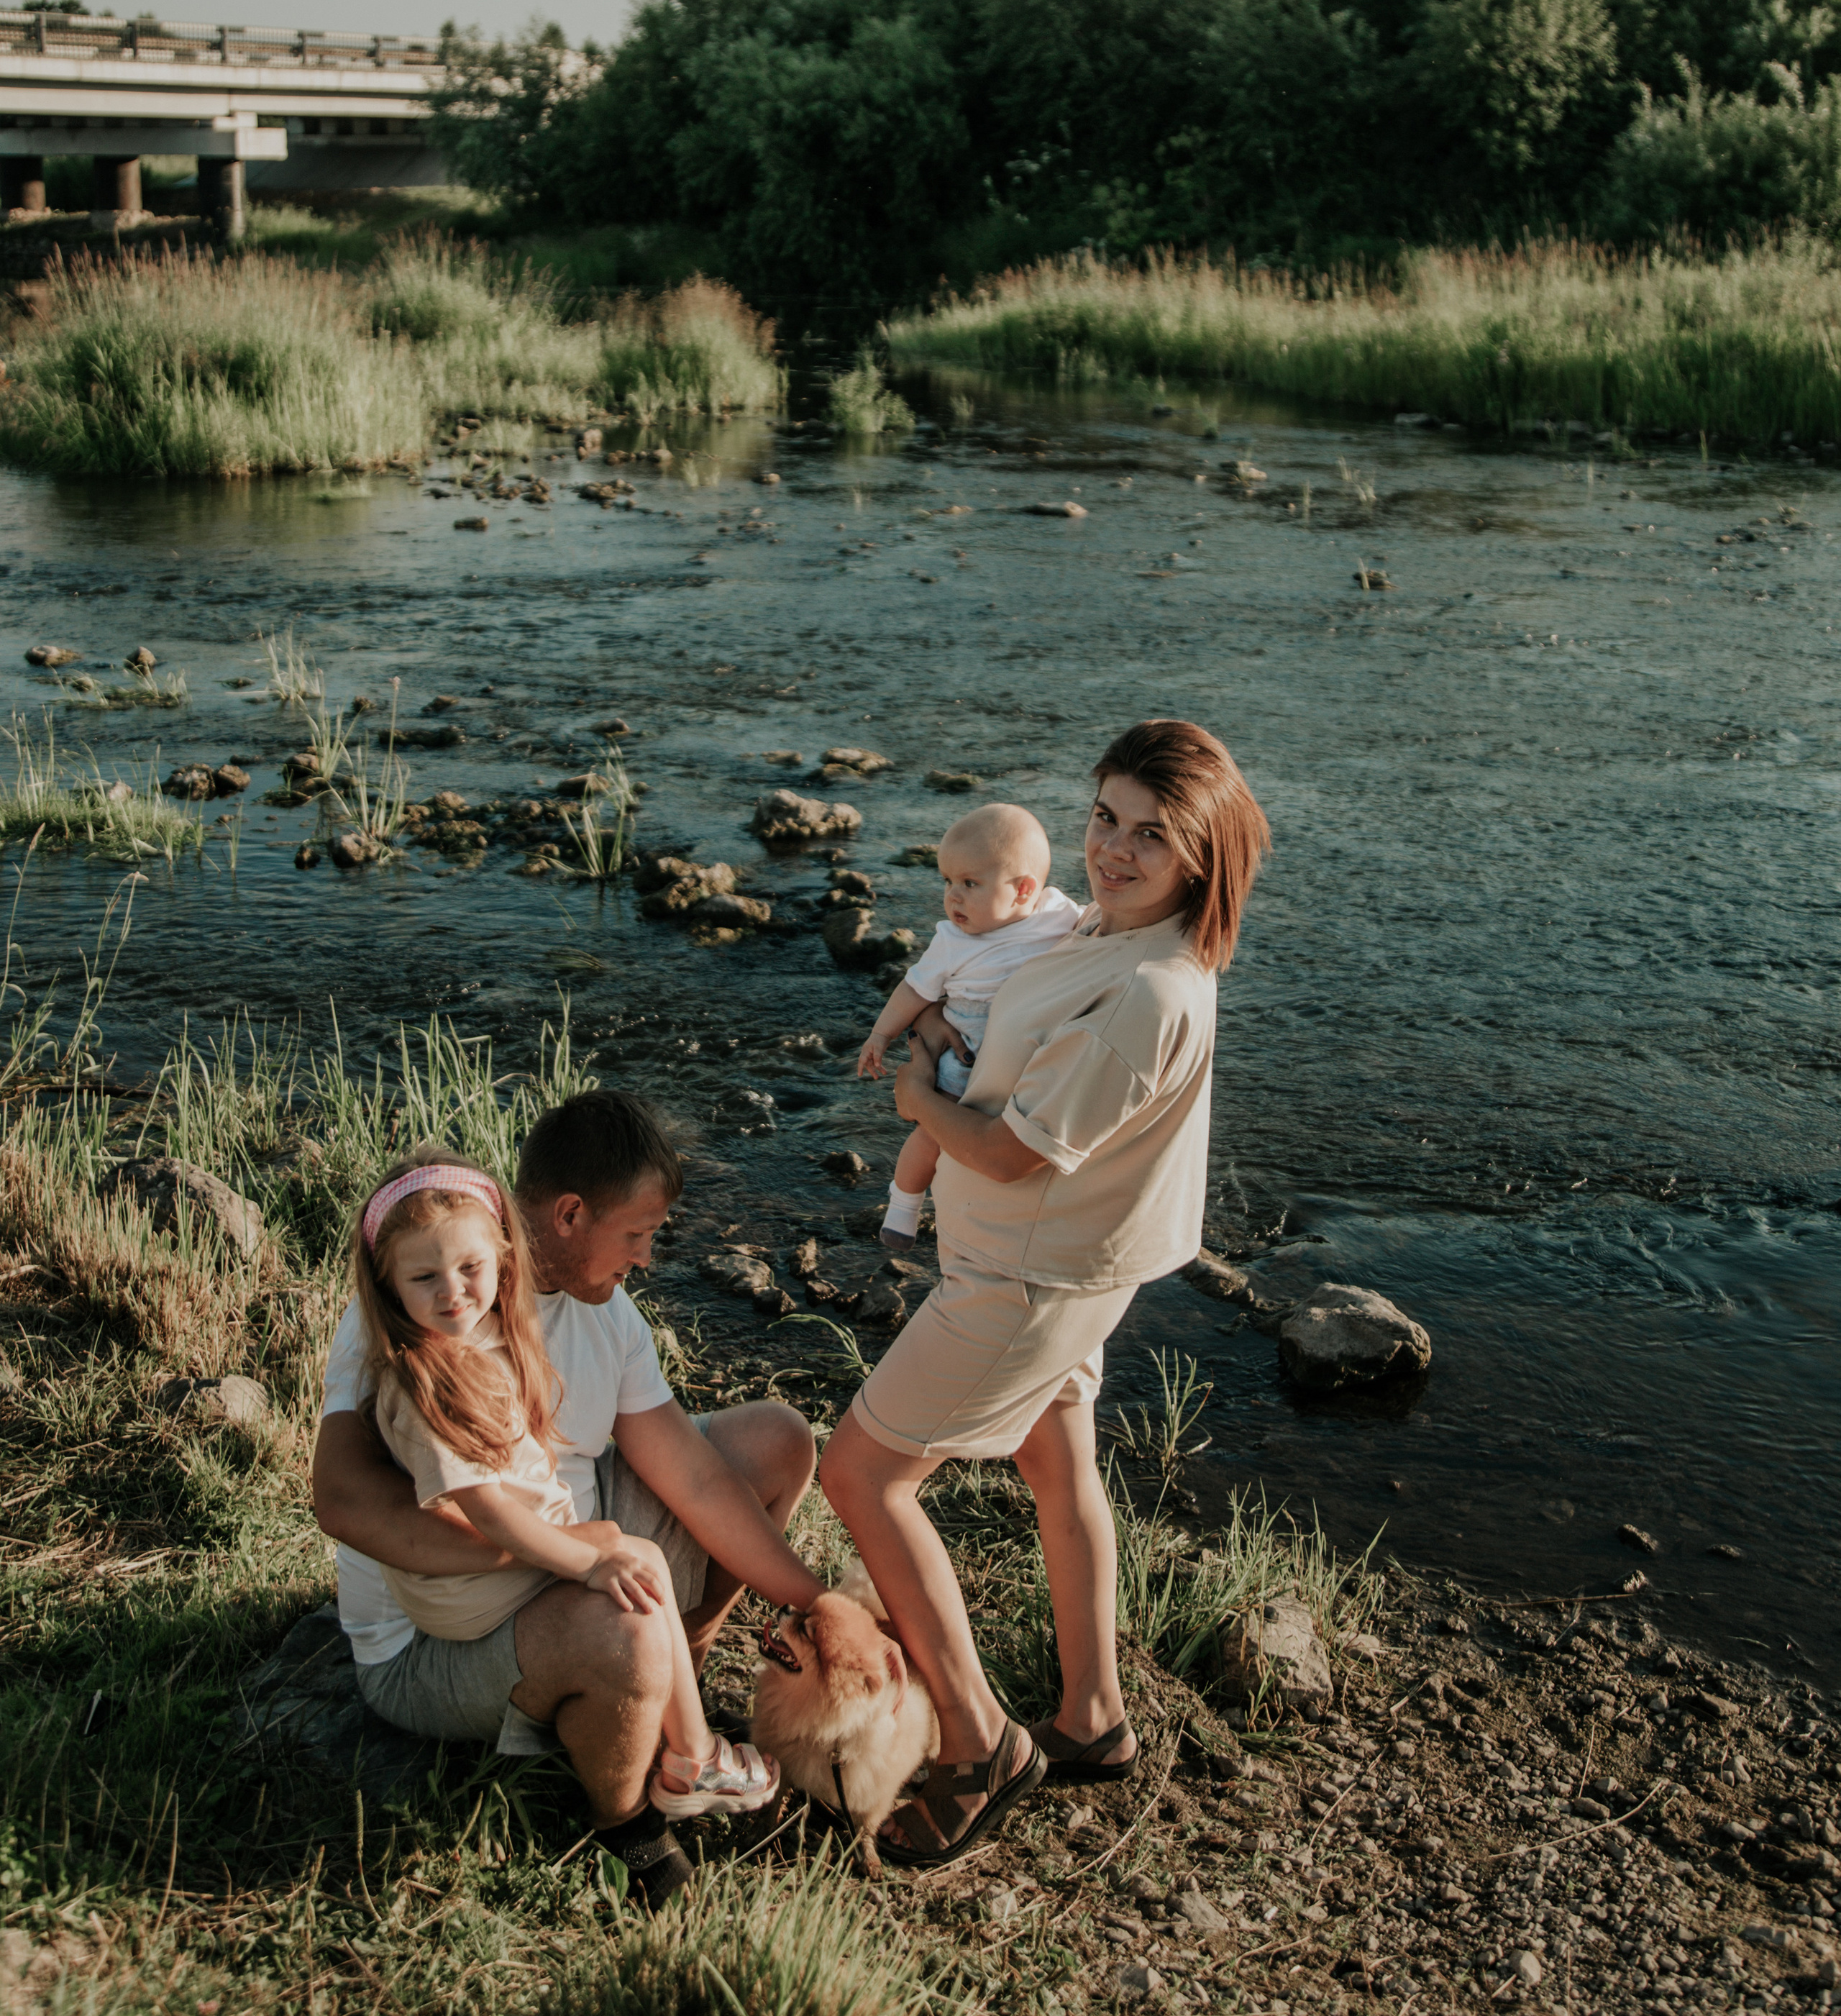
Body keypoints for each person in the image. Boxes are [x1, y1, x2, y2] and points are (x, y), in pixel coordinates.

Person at [821, 719, 1271, 1870]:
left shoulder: (1152, 991)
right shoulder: (1096, 928)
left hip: (1028, 1275)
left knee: (862, 1472)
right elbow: (985, 976)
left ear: (1203, 859)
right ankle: (1093, 1718)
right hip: (1053, 1266)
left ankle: (981, 1744)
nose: (1114, 851)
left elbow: (1018, 1154)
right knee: (1055, 1462)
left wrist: (919, 1098)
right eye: (1105, 818)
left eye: (1151, 837)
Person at [312, 1090, 823, 1906]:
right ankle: (626, 1823)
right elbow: (341, 1502)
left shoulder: (596, 1315)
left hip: (558, 1542)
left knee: (775, 1442)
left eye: (476, 1269)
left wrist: (819, 1603)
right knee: (622, 1607)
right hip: (439, 1630)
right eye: (636, 1235)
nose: (647, 1260)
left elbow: (692, 1476)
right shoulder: (421, 1319)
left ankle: (666, 1681)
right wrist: (569, 1553)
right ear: (571, 1214)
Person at [351, 1153, 777, 1825]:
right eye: (424, 1278)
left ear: (501, 1257)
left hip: (514, 1563)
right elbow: (486, 1509)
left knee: (641, 1552)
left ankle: (679, 1722)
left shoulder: (490, 1340)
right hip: (466, 1602)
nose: (452, 1292)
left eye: (470, 1270)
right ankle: (678, 1770)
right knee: (634, 1567)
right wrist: (584, 1554)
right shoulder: (421, 1381)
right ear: (390, 1287)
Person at [855, 804, 1081, 1251]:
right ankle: (903, 1207)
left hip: (1027, 1051)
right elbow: (914, 991)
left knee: (1009, 1131)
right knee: (934, 1133)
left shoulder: (1059, 913)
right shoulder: (953, 941)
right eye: (948, 881)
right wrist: (881, 1034)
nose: (953, 896)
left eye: (970, 884)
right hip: (967, 1047)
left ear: (1024, 891)